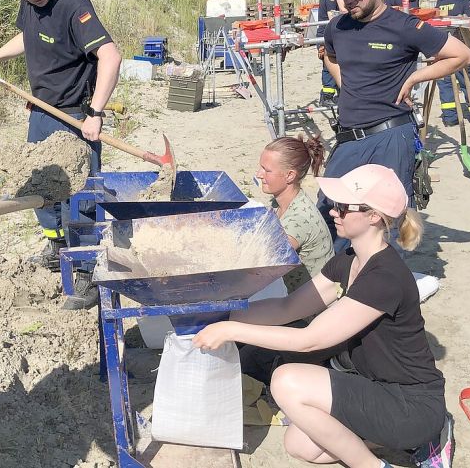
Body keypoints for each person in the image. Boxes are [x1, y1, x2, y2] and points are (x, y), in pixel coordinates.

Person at [194, 164, 453, 468]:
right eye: (334, 204)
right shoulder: (348, 260)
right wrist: (226, 314)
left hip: (411, 404)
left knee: (287, 381)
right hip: (377, 387)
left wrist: (229, 330)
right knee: (301, 445)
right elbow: (288, 308)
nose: (333, 212)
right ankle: (406, 442)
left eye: (343, 207)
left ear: (374, 216)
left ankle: (381, 461)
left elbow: (308, 340)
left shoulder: (385, 278)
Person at [0, 0, 122, 310]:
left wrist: (96, 112)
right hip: (41, 112)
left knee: (80, 197)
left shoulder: (73, 3)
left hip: (75, 115)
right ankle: (57, 248)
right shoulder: (28, 2)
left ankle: (87, 273)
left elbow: (110, 54)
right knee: (39, 185)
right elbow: (27, 36)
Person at [319, 0, 470, 248]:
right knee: (331, 209)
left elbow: (461, 55)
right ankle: (341, 280)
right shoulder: (337, 27)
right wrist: (345, 85)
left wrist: (415, 77)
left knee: (384, 220)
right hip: (350, 136)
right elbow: (330, 57)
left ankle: (380, 289)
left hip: (390, 135)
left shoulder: (403, 26)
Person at [256, 136, 333, 293]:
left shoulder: (297, 221)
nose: (259, 174)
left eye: (267, 170)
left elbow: (263, 261)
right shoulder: (288, 201)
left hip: (311, 308)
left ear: (290, 175)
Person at [317, 0, 347, 105]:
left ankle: (338, 94)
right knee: (329, 63)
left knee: (337, 62)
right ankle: (327, 96)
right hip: (326, 34)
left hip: (330, 34)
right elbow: (332, 16)